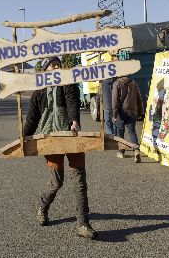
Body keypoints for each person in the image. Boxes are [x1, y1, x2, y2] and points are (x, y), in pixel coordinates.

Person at [23, 56, 98, 239]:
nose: (55, 67)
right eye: (51, 65)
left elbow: (73, 103)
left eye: (57, 64)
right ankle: (42, 206)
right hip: (50, 140)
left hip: (72, 136)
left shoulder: (68, 83)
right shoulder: (39, 92)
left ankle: (83, 224)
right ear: (45, 70)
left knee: (79, 181)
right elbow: (32, 118)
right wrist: (24, 137)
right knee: (57, 181)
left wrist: (74, 122)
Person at [111, 75, 144, 163]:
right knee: (132, 131)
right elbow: (139, 99)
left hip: (122, 112)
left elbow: (115, 101)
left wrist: (114, 115)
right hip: (133, 112)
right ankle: (136, 150)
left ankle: (121, 152)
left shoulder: (116, 83)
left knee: (120, 131)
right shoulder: (133, 83)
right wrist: (140, 112)